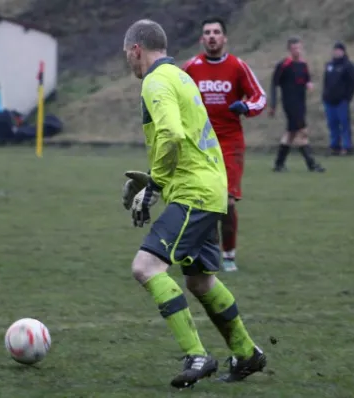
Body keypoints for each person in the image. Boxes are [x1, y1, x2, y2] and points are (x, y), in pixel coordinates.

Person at [121, 19, 266, 389]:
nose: (128, 62)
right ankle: (247, 353)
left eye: (127, 55)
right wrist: (155, 178)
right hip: (210, 187)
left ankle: (196, 355)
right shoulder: (181, 76)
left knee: (146, 266)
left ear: (136, 48)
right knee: (201, 281)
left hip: (193, 192)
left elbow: (170, 133)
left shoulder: (156, 80)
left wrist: (154, 184)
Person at [182, 17, 266, 272]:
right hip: (200, 144)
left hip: (230, 143)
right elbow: (175, 97)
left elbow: (259, 96)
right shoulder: (191, 68)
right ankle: (204, 251)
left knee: (226, 203)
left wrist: (246, 107)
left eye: (216, 32)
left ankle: (228, 254)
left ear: (224, 38)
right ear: (201, 39)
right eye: (207, 32)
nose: (211, 36)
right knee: (201, 202)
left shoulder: (238, 67)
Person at [269, 36, 325, 172]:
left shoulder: (303, 64)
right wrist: (273, 104)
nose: (297, 51)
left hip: (301, 103)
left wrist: (309, 84)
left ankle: (278, 164)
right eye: (294, 48)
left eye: (299, 48)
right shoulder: (284, 65)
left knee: (291, 134)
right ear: (289, 50)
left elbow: (306, 79)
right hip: (290, 103)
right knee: (302, 132)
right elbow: (274, 84)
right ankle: (311, 164)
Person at [322, 41, 354, 156]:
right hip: (329, 100)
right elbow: (326, 81)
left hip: (342, 101)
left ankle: (346, 146)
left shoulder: (348, 66)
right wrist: (325, 95)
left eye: (339, 50)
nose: (336, 52)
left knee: (344, 123)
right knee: (332, 124)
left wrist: (347, 97)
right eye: (335, 50)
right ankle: (334, 146)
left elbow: (353, 83)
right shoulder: (329, 65)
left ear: (343, 51)